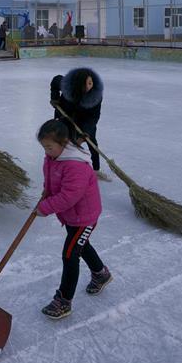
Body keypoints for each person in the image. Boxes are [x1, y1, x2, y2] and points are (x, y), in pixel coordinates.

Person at [35, 119, 112, 320]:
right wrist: (47, 190)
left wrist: (45, 207)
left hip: (84, 217)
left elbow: (70, 196)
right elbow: (52, 177)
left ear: (63, 143)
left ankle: (63, 301)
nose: (46, 151)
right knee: (81, 245)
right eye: (44, 147)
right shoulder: (53, 157)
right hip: (72, 215)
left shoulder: (75, 165)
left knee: (70, 255)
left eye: (49, 147)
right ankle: (101, 273)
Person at [50, 67, 108, 181]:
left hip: (85, 119)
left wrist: (85, 133)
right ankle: (59, 166)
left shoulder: (95, 96)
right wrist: (55, 98)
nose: (88, 87)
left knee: (92, 143)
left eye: (90, 83)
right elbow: (55, 80)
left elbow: (93, 117)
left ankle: (96, 170)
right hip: (65, 115)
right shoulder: (67, 85)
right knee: (63, 141)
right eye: (84, 84)